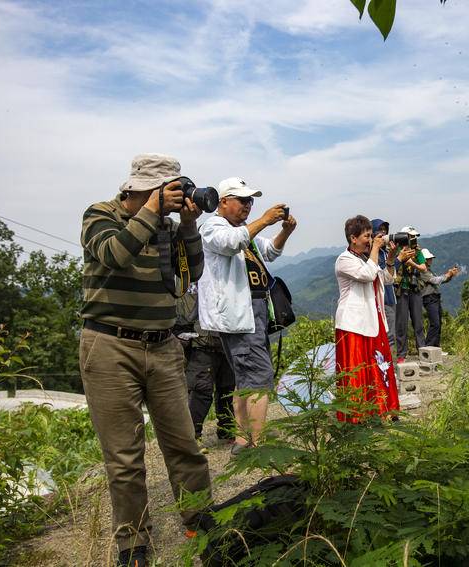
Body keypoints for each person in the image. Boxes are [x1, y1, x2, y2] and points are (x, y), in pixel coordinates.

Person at [79, 153, 210, 566]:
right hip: (110, 347)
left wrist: (188, 225)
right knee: (124, 456)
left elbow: (192, 276)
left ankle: (200, 518)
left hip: (164, 345)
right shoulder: (101, 214)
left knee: (184, 443)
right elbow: (115, 253)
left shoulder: (169, 228)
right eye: (166, 189)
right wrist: (152, 211)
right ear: (141, 189)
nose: (174, 196)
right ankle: (132, 543)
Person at [198, 177, 296, 455]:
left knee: (245, 375)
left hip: (255, 310)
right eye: (243, 200)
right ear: (224, 201)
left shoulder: (242, 229)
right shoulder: (213, 227)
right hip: (239, 312)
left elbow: (271, 251)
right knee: (259, 375)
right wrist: (265, 219)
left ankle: (243, 439)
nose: (248, 206)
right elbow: (231, 244)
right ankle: (256, 442)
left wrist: (284, 232)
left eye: (251, 201)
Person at [334, 215, 413, 422]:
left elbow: (386, 279)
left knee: (381, 365)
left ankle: (384, 408)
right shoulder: (344, 260)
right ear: (353, 238)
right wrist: (378, 248)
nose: (371, 240)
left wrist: (390, 260)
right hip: (353, 324)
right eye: (367, 236)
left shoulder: (365, 258)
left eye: (372, 236)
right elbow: (367, 275)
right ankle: (357, 415)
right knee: (357, 370)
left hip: (374, 320)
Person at [175, 283, 235, 451]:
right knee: (201, 389)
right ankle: (191, 437)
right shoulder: (191, 272)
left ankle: (227, 430)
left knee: (227, 387)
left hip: (225, 337)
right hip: (202, 340)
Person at [394, 226, 427, 364]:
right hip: (401, 290)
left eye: (414, 236)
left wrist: (411, 262)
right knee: (401, 323)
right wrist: (401, 258)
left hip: (415, 289)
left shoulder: (417, 251)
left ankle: (423, 350)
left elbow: (424, 268)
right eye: (411, 236)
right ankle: (401, 354)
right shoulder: (396, 250)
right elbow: (392, 266)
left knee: (418, 321)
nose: (413, 239)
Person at [420, 248, 460, 348]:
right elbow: (435, 280)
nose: (431, 260)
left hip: (435, 298)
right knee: (435, 323)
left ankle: (436, 347)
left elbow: (441, 280)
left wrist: (450, 275)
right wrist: (448, 274)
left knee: (438, 323)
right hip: (429, 298)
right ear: (424, 259)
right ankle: (429, 346)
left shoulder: (429, 270)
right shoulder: (423, 271)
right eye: (429, 258)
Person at [370, 218, 397, 350]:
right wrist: (398, 259)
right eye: (380, 231)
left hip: (390, 297)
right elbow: (377, 273)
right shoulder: (371, 253)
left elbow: (390, 276)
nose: (383, 234)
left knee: (391, 333)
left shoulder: (385, 252)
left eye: (385, 231)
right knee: (384, 336)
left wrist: (394, 258)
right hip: (379, 299)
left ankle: (389, 365)